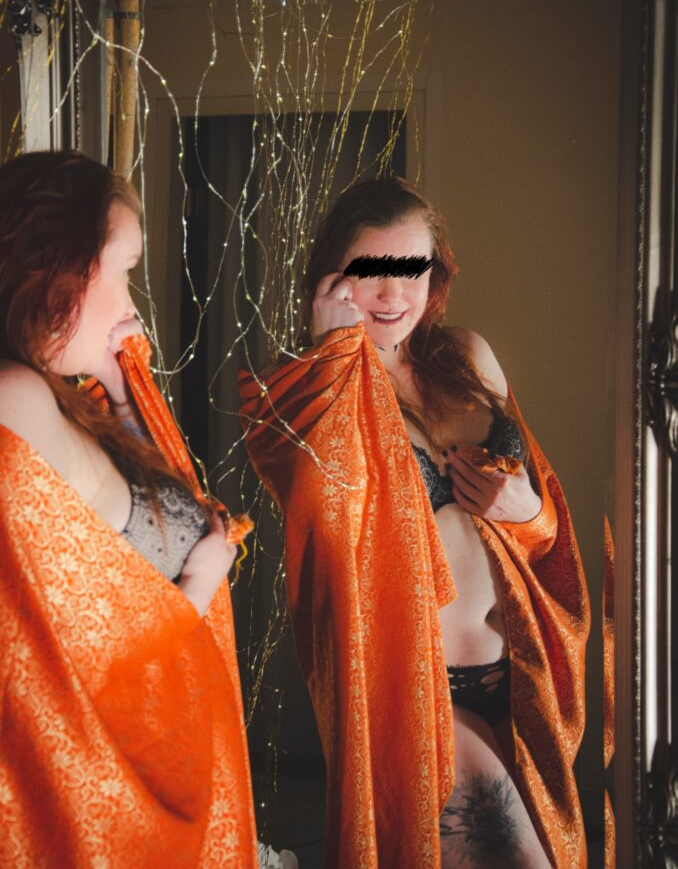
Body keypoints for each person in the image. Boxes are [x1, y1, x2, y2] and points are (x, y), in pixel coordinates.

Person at [239, 177, 590, 869]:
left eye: (413, 270)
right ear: (332, 275)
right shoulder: (298, 388)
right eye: (372, 270)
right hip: (420, 690)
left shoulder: (468, 357)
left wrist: (526, 512)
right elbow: (325, 520)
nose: (394, 294)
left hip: (521, 675)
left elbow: (544, 522)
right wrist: (333, 357)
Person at [0, 151, 258, 867]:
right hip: (128, 813)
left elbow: (143, 505)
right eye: (123, 271)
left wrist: (117, 387)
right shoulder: (16, 402)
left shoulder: (54, 392)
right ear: (54, 268)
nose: (130, 305)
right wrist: (201, 581)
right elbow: (59, 671)